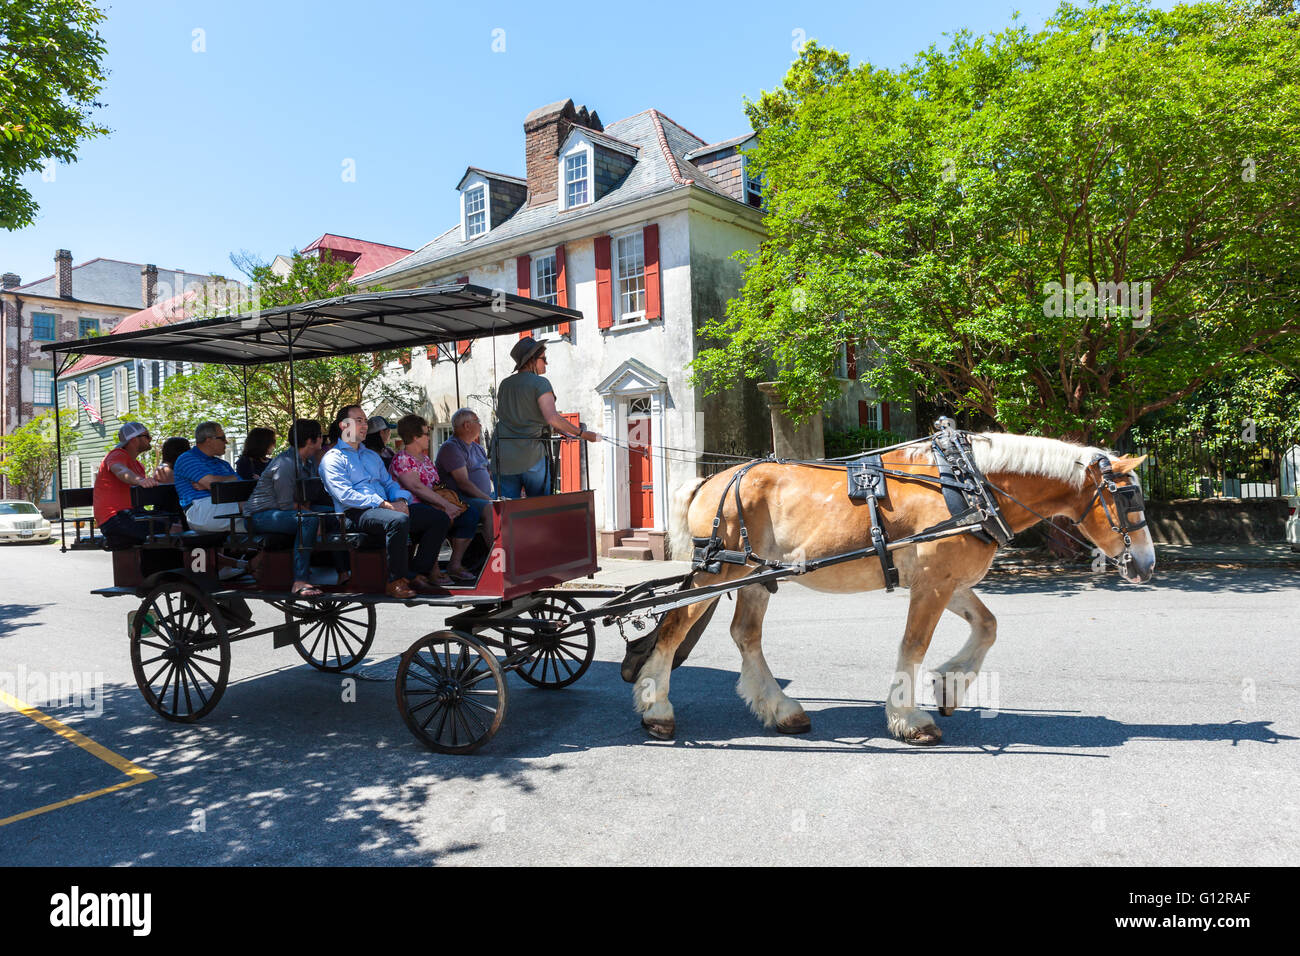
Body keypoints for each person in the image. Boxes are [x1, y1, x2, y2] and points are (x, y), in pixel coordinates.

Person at [319, 405, 441, 598]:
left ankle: (415, 573)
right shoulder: (333, 459)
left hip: (384, 508)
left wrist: (401, 500)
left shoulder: (370, 456)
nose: (364, 425)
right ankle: (395, 581)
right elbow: (345, 495)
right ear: (344, 426)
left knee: (437, 518)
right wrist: (384, 504)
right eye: (359, 421)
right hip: (354, 513)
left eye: (365, 421)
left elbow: (389, 483)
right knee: (397, 521)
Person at [494, 336, 598, 498]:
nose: (546, 363)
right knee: (540, 510)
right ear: (531, 360)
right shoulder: (540, 383)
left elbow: (521, 416)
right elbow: (552, 417)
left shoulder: (504, 384)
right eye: (544, 359)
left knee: (507, 514)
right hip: (531, 456)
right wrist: (583, 434)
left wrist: (558, 429)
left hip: (503, 457)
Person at [246, 419, 336, 597]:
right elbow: (285, 504)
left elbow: (308, 497)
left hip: (286, 513)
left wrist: (314, 512)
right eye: (320, 437)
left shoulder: (308, 463)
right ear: (310, 441)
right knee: (309, 521)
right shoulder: (286, 464)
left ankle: (342, 573)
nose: (323, 441)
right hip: (261, 515)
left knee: (335, 515)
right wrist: (312, 515)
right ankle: (300, 580)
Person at [392, 414, 477, 583]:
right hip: (413, 507)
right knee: (438, 518)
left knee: (470, 514)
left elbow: (435, 486)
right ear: (415, 437)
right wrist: (445, 505)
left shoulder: (425, 459)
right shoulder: (402, 459)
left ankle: (455, 564)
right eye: (426, 433)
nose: (429, 437)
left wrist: (450, 503)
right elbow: (417, 488)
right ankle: (428, 570)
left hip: (435, 503)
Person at [93, 422, 159, 550]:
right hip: (114, 518)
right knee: (173, 527)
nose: (150, 439)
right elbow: (120, 470)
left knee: (170, 520)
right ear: (134, 440)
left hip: (130, 514)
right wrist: (140, 480)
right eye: (147, 436)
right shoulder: (117, 454)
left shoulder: (138, 465)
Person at [436, 406, 495, 545]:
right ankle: (497, 555)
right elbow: (463, 483)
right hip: (459, 498)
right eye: (477, 421)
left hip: (481, 497)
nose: (480, 425)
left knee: (510, 504)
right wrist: (489, 499)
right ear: (467, 425)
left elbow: (490, 473)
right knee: (490, 509)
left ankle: (510, 551)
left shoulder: (478, 447)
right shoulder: (451, 447)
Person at [173, 421, 244, 533]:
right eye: (222, 438)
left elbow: (242, 488)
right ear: (209, 440)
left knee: (262, 519)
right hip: (201, 510)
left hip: (226, 506)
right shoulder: (187, 458)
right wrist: (230, 479)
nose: (226, 442)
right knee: (258, 508)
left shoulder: (222, 464)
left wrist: (215, 483)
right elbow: (213, 485)